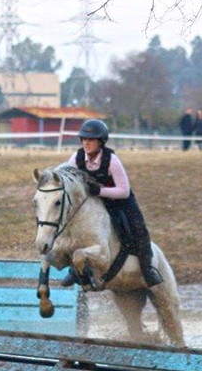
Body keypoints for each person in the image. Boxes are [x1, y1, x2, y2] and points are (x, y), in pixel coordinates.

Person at [61, 119, 163, 288]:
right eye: (84, 139)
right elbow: (64, 175)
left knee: (139, 230)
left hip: (120, 201)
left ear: (101, 142)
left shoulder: (112, 160)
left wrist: (99, 191)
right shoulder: (76, 157)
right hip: (94, 203)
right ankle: (74, 271)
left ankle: (147, 269)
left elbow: (123, 190)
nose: (86, 143)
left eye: (91, 139)